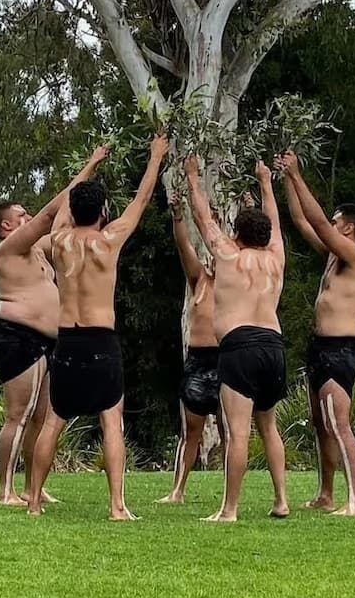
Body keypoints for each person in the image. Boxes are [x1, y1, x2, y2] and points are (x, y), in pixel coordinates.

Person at [27, 133, 170, 520]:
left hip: (68, 341)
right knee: (112, 420)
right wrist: (156, 156)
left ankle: (35, 502)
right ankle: (116, 506)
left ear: (73, 211)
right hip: (101, 340)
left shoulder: (58, 240)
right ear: (104, 210)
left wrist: (91, 162)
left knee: (54, 421)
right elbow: (141, 201)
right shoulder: (109, 241)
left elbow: (65, 200)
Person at [0, 146, 109, 505]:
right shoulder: (8, 250)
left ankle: (32, 488)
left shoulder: (38, 251)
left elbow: (64, 218)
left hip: (44, 342)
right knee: (18, 415)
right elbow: (50, 213)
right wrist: (89, 163)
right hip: (16, 337)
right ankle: (4, 491)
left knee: (40, 417)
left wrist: (89, 178)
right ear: (7, 226)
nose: (28, 218)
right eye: (20, 215)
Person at [184, 155, 288, 522]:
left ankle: (229, 509)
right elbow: (274, 222)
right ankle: (281, 500)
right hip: (273, 345)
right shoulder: (277, 258)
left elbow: (203, 219)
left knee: (238, 432)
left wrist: (194, 178)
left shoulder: (228, 255)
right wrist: (265, 182)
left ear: (238, 234)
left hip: (240, 346)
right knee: (269, 426)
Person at [278, 149, 355, 517]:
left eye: (336, 222)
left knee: (338, 423)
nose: (331, 225)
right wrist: (286, 178)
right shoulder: (333, 257)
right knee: (320, 424)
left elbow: (317, 222)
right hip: (318, 346)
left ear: (348, 228)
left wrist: (299, 175)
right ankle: (326, 494)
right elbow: (303, 221)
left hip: (341, 349)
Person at [156, 191, 222, 505]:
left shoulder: (234, 279)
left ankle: (228, 494)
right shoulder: (199, 279)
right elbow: (184, 248)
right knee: (191, 431)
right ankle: (177, 490)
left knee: (230, 430)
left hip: (224, 360)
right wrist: (178, 217)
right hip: (197, 360)